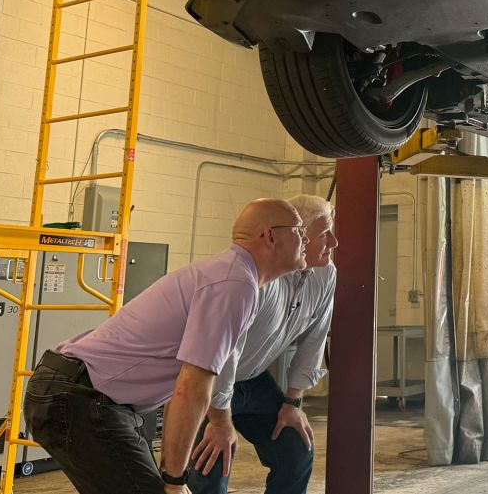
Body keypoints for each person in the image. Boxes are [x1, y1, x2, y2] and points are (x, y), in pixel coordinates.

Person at [23, 199, 308, 494]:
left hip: (85, 395)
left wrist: (189, 456)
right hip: (81, 397)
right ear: (270, 236)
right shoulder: (234, 283)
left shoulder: (235, 278)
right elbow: (191, 386)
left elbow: (187, 384)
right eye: (299, 230)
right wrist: (174, 481)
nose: (306, 239)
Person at [189, 194, 339, 494]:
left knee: (295, 452)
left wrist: (293, 402)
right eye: (324, 234)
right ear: (300, 238)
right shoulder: (258, 278)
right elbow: (227, 354)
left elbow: (315, 340)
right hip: (210, 380)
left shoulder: (326, 275)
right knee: (211, 467)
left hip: (253, 380)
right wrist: (219, 421)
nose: (334, 242)